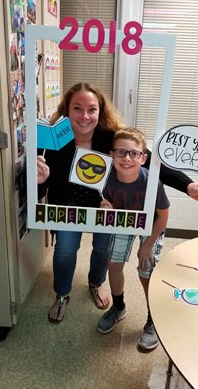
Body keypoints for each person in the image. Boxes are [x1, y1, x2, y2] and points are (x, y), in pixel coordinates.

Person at [37, 82, 198, 324]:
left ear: (100, 111)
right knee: (65, 250)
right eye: (77, 108)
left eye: (91, 109)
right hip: (68, 203)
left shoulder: (110, 138)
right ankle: (62, 295)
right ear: (67, 110)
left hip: (107, 203)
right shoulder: (54, 141)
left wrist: (187, 185)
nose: (84, 116)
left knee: (104, 249)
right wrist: (40, 181)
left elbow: (152, 165)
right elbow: (41, 187)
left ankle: (95, 283)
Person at [96, 128, 170, 351]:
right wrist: (105, 207)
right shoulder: (105, 178)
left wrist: (147, 245)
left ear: (143, 158)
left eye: (134, 154)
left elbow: (163, 215)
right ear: (112, 155)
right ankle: (118, 307)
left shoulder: (151, 181)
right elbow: (103, 205)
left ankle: (153, 320)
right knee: (114, 264)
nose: (127, 158)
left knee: (146, 270)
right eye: (121, 152)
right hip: (123, 220)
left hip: (151, 224)